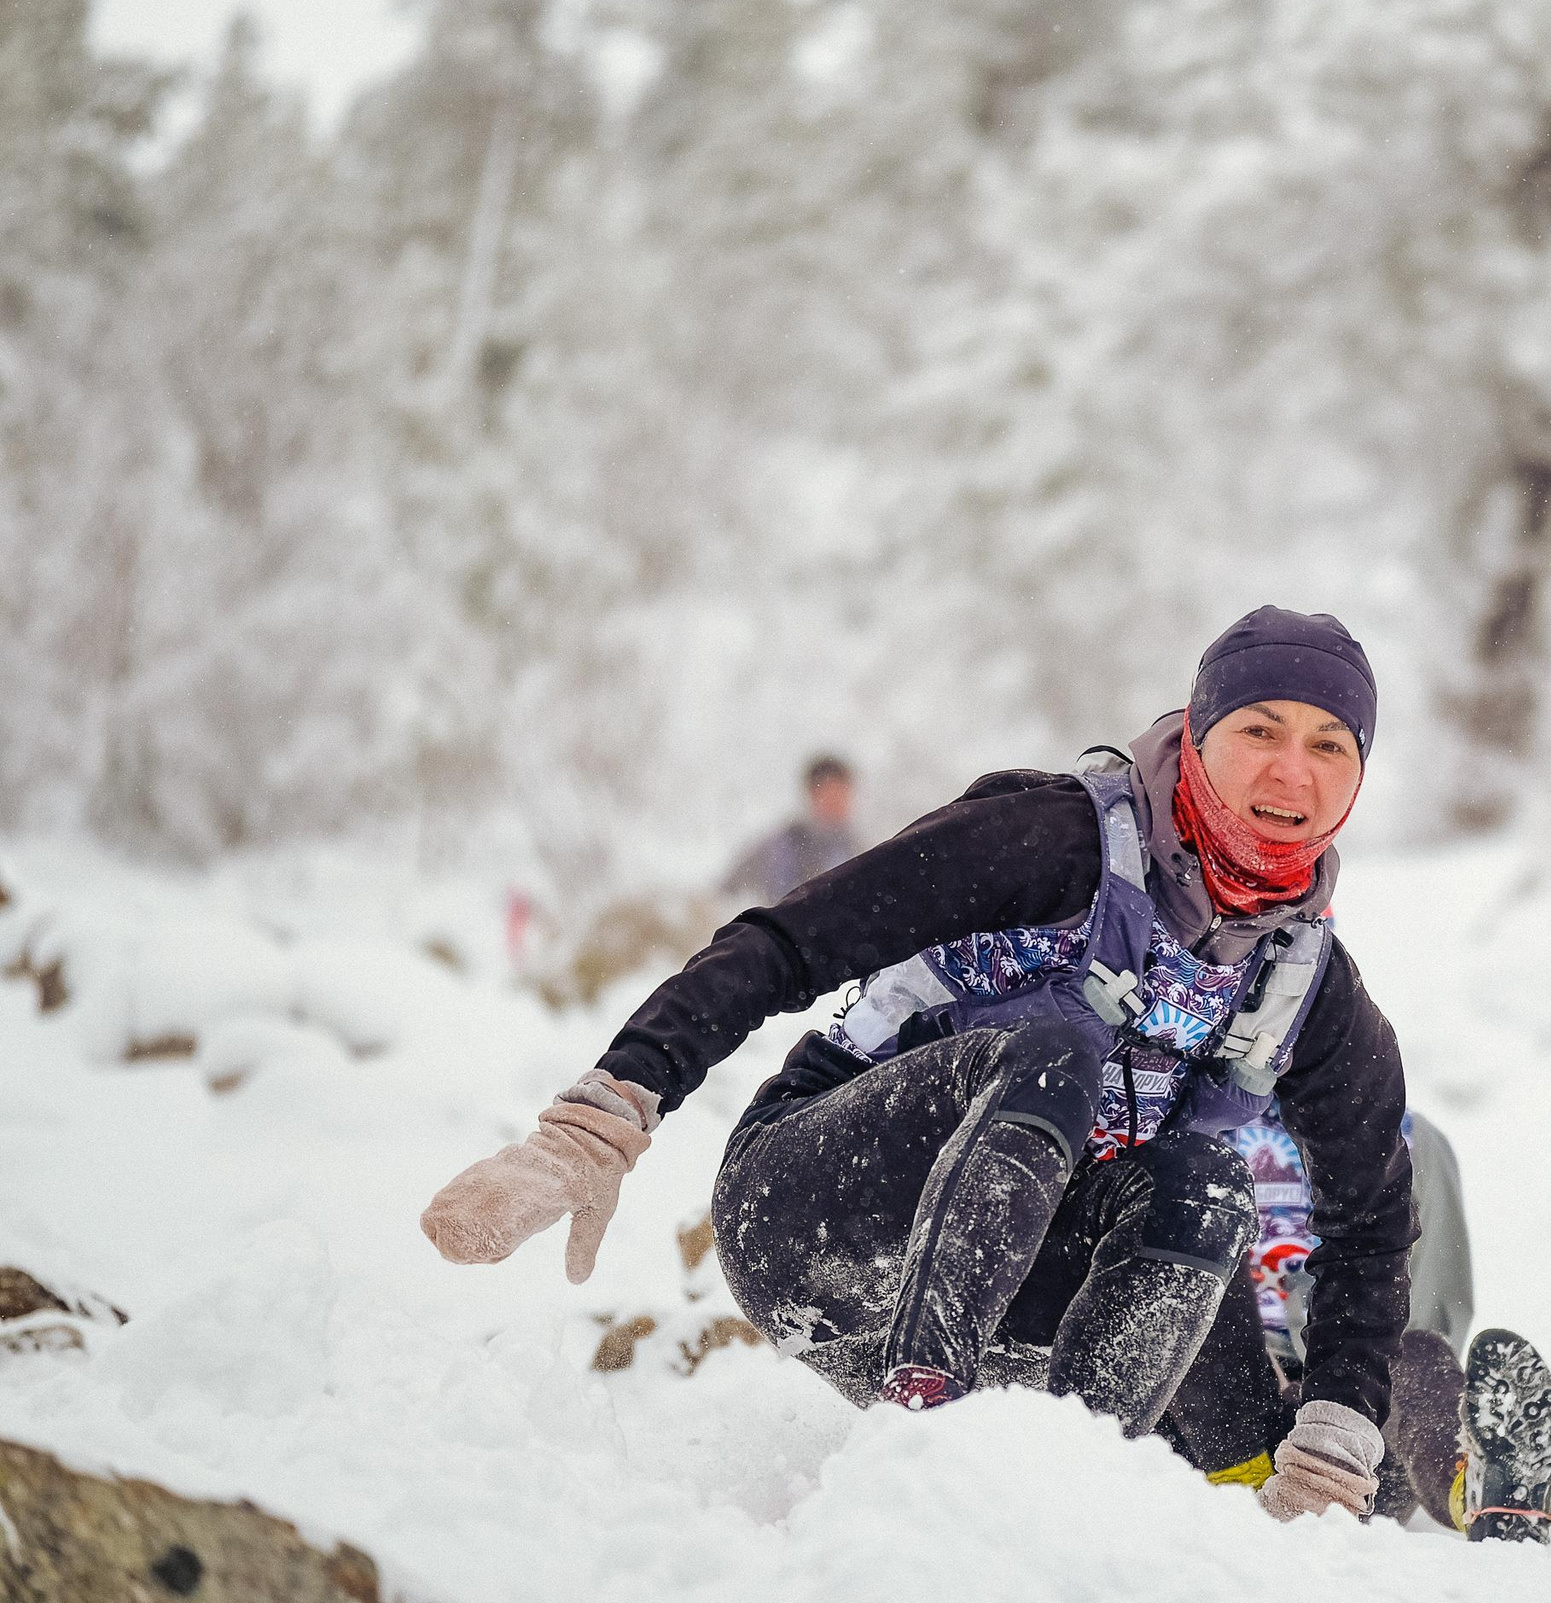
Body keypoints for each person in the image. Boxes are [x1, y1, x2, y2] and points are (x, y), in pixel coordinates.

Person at [420, 608, 1415, 1524]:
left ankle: (1063, 1496)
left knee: (1207, 1185)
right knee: (1059, 1048)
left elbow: (1373, 1223)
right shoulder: (1052, 839)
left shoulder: (1307, 986)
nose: (1293, 771)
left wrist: (1326, 1450)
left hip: (1021, 1307)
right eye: (1261, 731)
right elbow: (787, 943)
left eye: (1329, 746)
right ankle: (917, 1444)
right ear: (1196, 736)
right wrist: (602, 1118)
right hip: (817, 1208)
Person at [1167, 1105, 1551, 1542]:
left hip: (1352, 1446)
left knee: (1413, 1355)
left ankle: (1487, 1497)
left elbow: (1430, 1305)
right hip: (1210, 1426)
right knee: (1202, 1350)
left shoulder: (1407, 1140)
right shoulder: (1166, 1120)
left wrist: (1333, 1366)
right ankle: (1248, 1503)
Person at [720, 754, 863, 906]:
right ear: (813, 795)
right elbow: (728, 891)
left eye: (843, 794)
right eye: (831, 794)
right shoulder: (782, 846)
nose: (839, 803)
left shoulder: (858, 848)